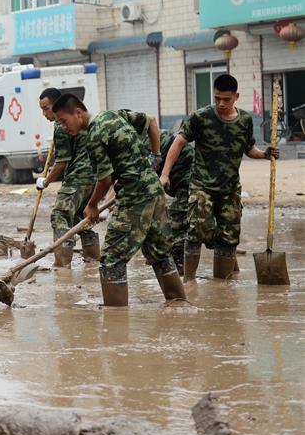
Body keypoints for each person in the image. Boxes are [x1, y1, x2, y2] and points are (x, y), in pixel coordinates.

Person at [52, 94, 186, 307]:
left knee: (111, 260)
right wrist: (155, 156)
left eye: (63, 121)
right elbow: (151, 121)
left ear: (78, 113)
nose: (63, 127)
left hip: (135, 198)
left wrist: (92, 204)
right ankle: (180, 304)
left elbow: (104, 180)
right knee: (160, 254)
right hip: (154, 192)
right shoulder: (114, 115)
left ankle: (115, 323)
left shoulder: (94, 135)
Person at [160, 74, 278, 280]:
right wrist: (165, 174)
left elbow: (249, 149)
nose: (221, 104)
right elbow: (178, 143)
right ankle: (189, 281)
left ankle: (223, 285)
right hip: (201, 186)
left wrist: (266, 154)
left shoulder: (244, 120)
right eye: (217, 99)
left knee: (229, 237)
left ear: (236, 97)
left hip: (230, 188)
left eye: (226, 99)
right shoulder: (201, 117)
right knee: (197, 230)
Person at [36, 88, 99, 267]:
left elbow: (62, 162)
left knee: (60, 215)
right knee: (81, 216)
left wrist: (45, 182)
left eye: (46, 108)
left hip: (78, 176)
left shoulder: (61, 126)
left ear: (56, 106)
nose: (44, 113)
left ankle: (63, 265)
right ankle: (93, 259)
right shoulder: (78, 121)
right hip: (92, 176)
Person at [154, 130, 194, 275]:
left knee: (176, 223)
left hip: (189, 177)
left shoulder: (145, 148)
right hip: (182, 178)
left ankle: (180, 268)